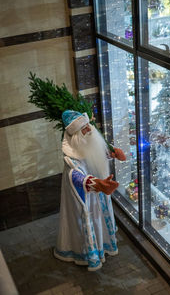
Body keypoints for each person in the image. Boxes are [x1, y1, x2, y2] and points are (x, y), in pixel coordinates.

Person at [54, 110, 126, 271]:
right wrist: (96, 184)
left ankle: (104, 245)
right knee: (89, 224)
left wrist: (111, 153)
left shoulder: (87, 140)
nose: (89, 130)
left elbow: (96, 154)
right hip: (87, 199)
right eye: (84, 128)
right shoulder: (70, 156)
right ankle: (87, 254)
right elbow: (75, 176)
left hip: (98, 195)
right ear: (76, 134)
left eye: (88, 126)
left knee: (100, 221)